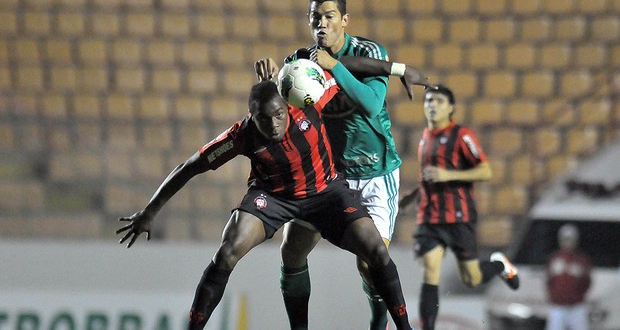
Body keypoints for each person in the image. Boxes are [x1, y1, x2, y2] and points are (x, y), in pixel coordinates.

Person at [115, 79, 414, 330]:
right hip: (273, 197)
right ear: (251, 116)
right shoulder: (242, 135)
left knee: (375, 250)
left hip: (326, 194)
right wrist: (149, 211)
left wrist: (395, 70)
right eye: (263, 118)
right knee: (228, 251)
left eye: (278, 115)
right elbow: (189, 167)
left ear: (286, 107)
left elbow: (344, 69)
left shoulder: (309, 101)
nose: (273, 124)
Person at [254, 0, 431, 330]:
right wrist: (273, 84)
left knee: (369, 264)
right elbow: (286, 118)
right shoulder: (300, 63)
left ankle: (378, 325)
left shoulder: (369, 52)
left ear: (344, 21)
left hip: (375, 173)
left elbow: (370, 104)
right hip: (329, 176)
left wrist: (335, 66)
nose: (321, 23)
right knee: (291, 250)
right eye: (315, 17)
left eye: (329, 16)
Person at [411, 84, 520, 330]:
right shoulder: (425, 137)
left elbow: (485, 170)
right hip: (429, 217)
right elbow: (428, 176)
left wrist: (447, 175)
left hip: (458, 216)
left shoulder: (461, 135)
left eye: (438, 101)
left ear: (451, 108)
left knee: (473, 279)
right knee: (430, 270)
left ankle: (499, 265)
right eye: (428, 100)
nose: (432, 105)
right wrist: (410, 197)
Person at [545, 224, 592, 330]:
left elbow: (588, 282)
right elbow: (548, 282)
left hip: (576, 307)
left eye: (570, 239)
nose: (567, 242)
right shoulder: (555, 259)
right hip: (558, 306)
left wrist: (580, 276)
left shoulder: (581, 259)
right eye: (565, 239)